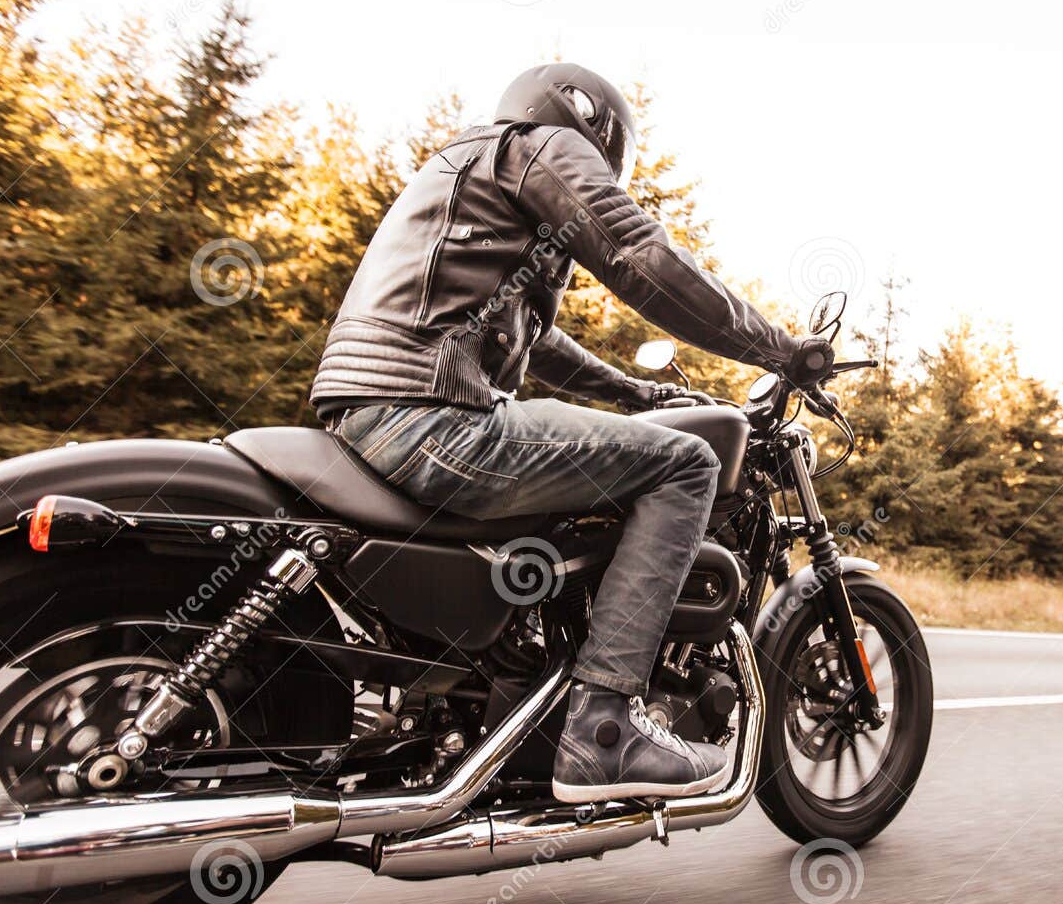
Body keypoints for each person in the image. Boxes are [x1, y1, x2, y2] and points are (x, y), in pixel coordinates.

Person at [312, 62, 827, 802]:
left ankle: (524, 693)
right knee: (683, 464)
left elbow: (531, 337)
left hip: (373, 407)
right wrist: (780, 348)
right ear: (592, 128)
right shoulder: (540, 146)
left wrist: (631, 389)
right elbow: (640, 257)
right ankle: (605, 728)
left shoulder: (471, 168)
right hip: (433, 412)